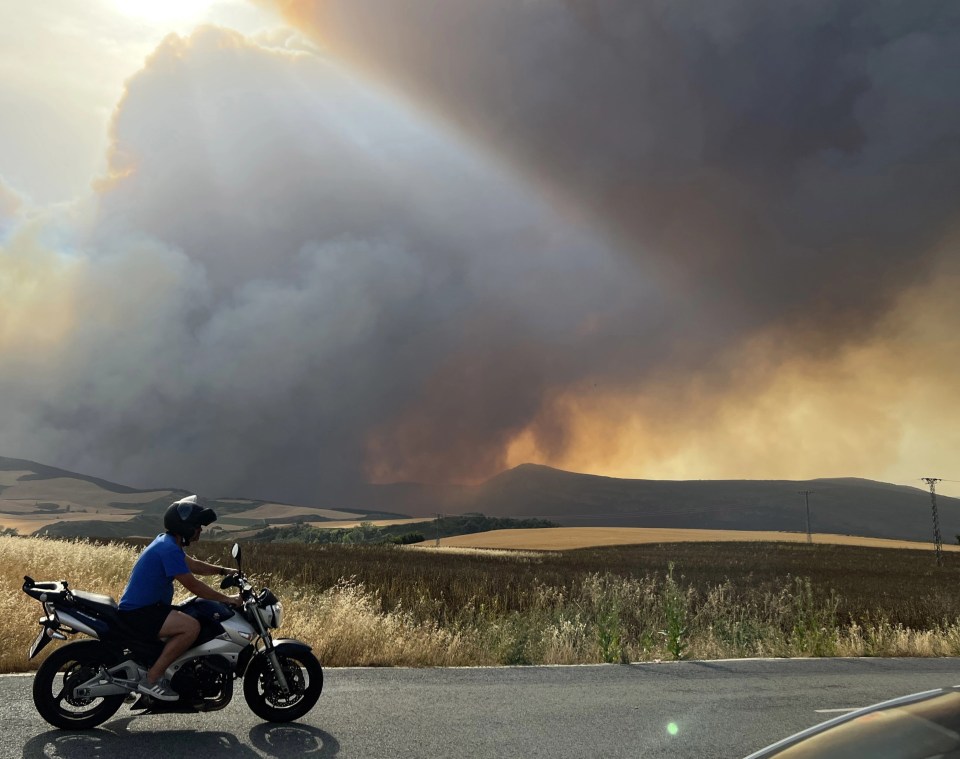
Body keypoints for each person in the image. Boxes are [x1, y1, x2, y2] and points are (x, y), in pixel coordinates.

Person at [118, 495, 242, 702]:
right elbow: (193, 585)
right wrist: (228, 599)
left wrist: (223, 571)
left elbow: (192, 564)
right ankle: (152, 679)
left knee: (190, 616)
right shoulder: (168, 549)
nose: (200, 530)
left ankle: (160, 670)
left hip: (147, 608)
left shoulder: (167, 543)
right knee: (191, 627)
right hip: (141, 612)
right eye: (197, 526)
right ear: (185, 527)